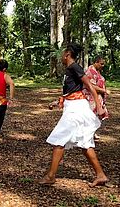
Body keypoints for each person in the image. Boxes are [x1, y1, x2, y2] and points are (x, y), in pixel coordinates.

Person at [38, 44, 108, 187]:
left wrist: (99, 107)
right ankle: (101, 175)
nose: (61, 56)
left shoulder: (74, 67)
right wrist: (58, 101)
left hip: (76, 110)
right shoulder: (69, 70)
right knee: (85, 143)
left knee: (59, 139)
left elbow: (89, 86)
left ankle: (51, 176)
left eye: (63, 53)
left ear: (67, 54)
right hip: (74, 107)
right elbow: (71, 91)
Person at [83, 56, 110, 139]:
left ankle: (92, 132)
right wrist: (104, 91)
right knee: (91, 116)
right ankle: (87, 134)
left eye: (103, 64)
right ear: (95, 62)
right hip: (91, 98)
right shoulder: (90, 72)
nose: (103, 65)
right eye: (101, 64)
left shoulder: (97, 72)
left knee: (97, 116)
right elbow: (91, 86)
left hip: (98, 98)